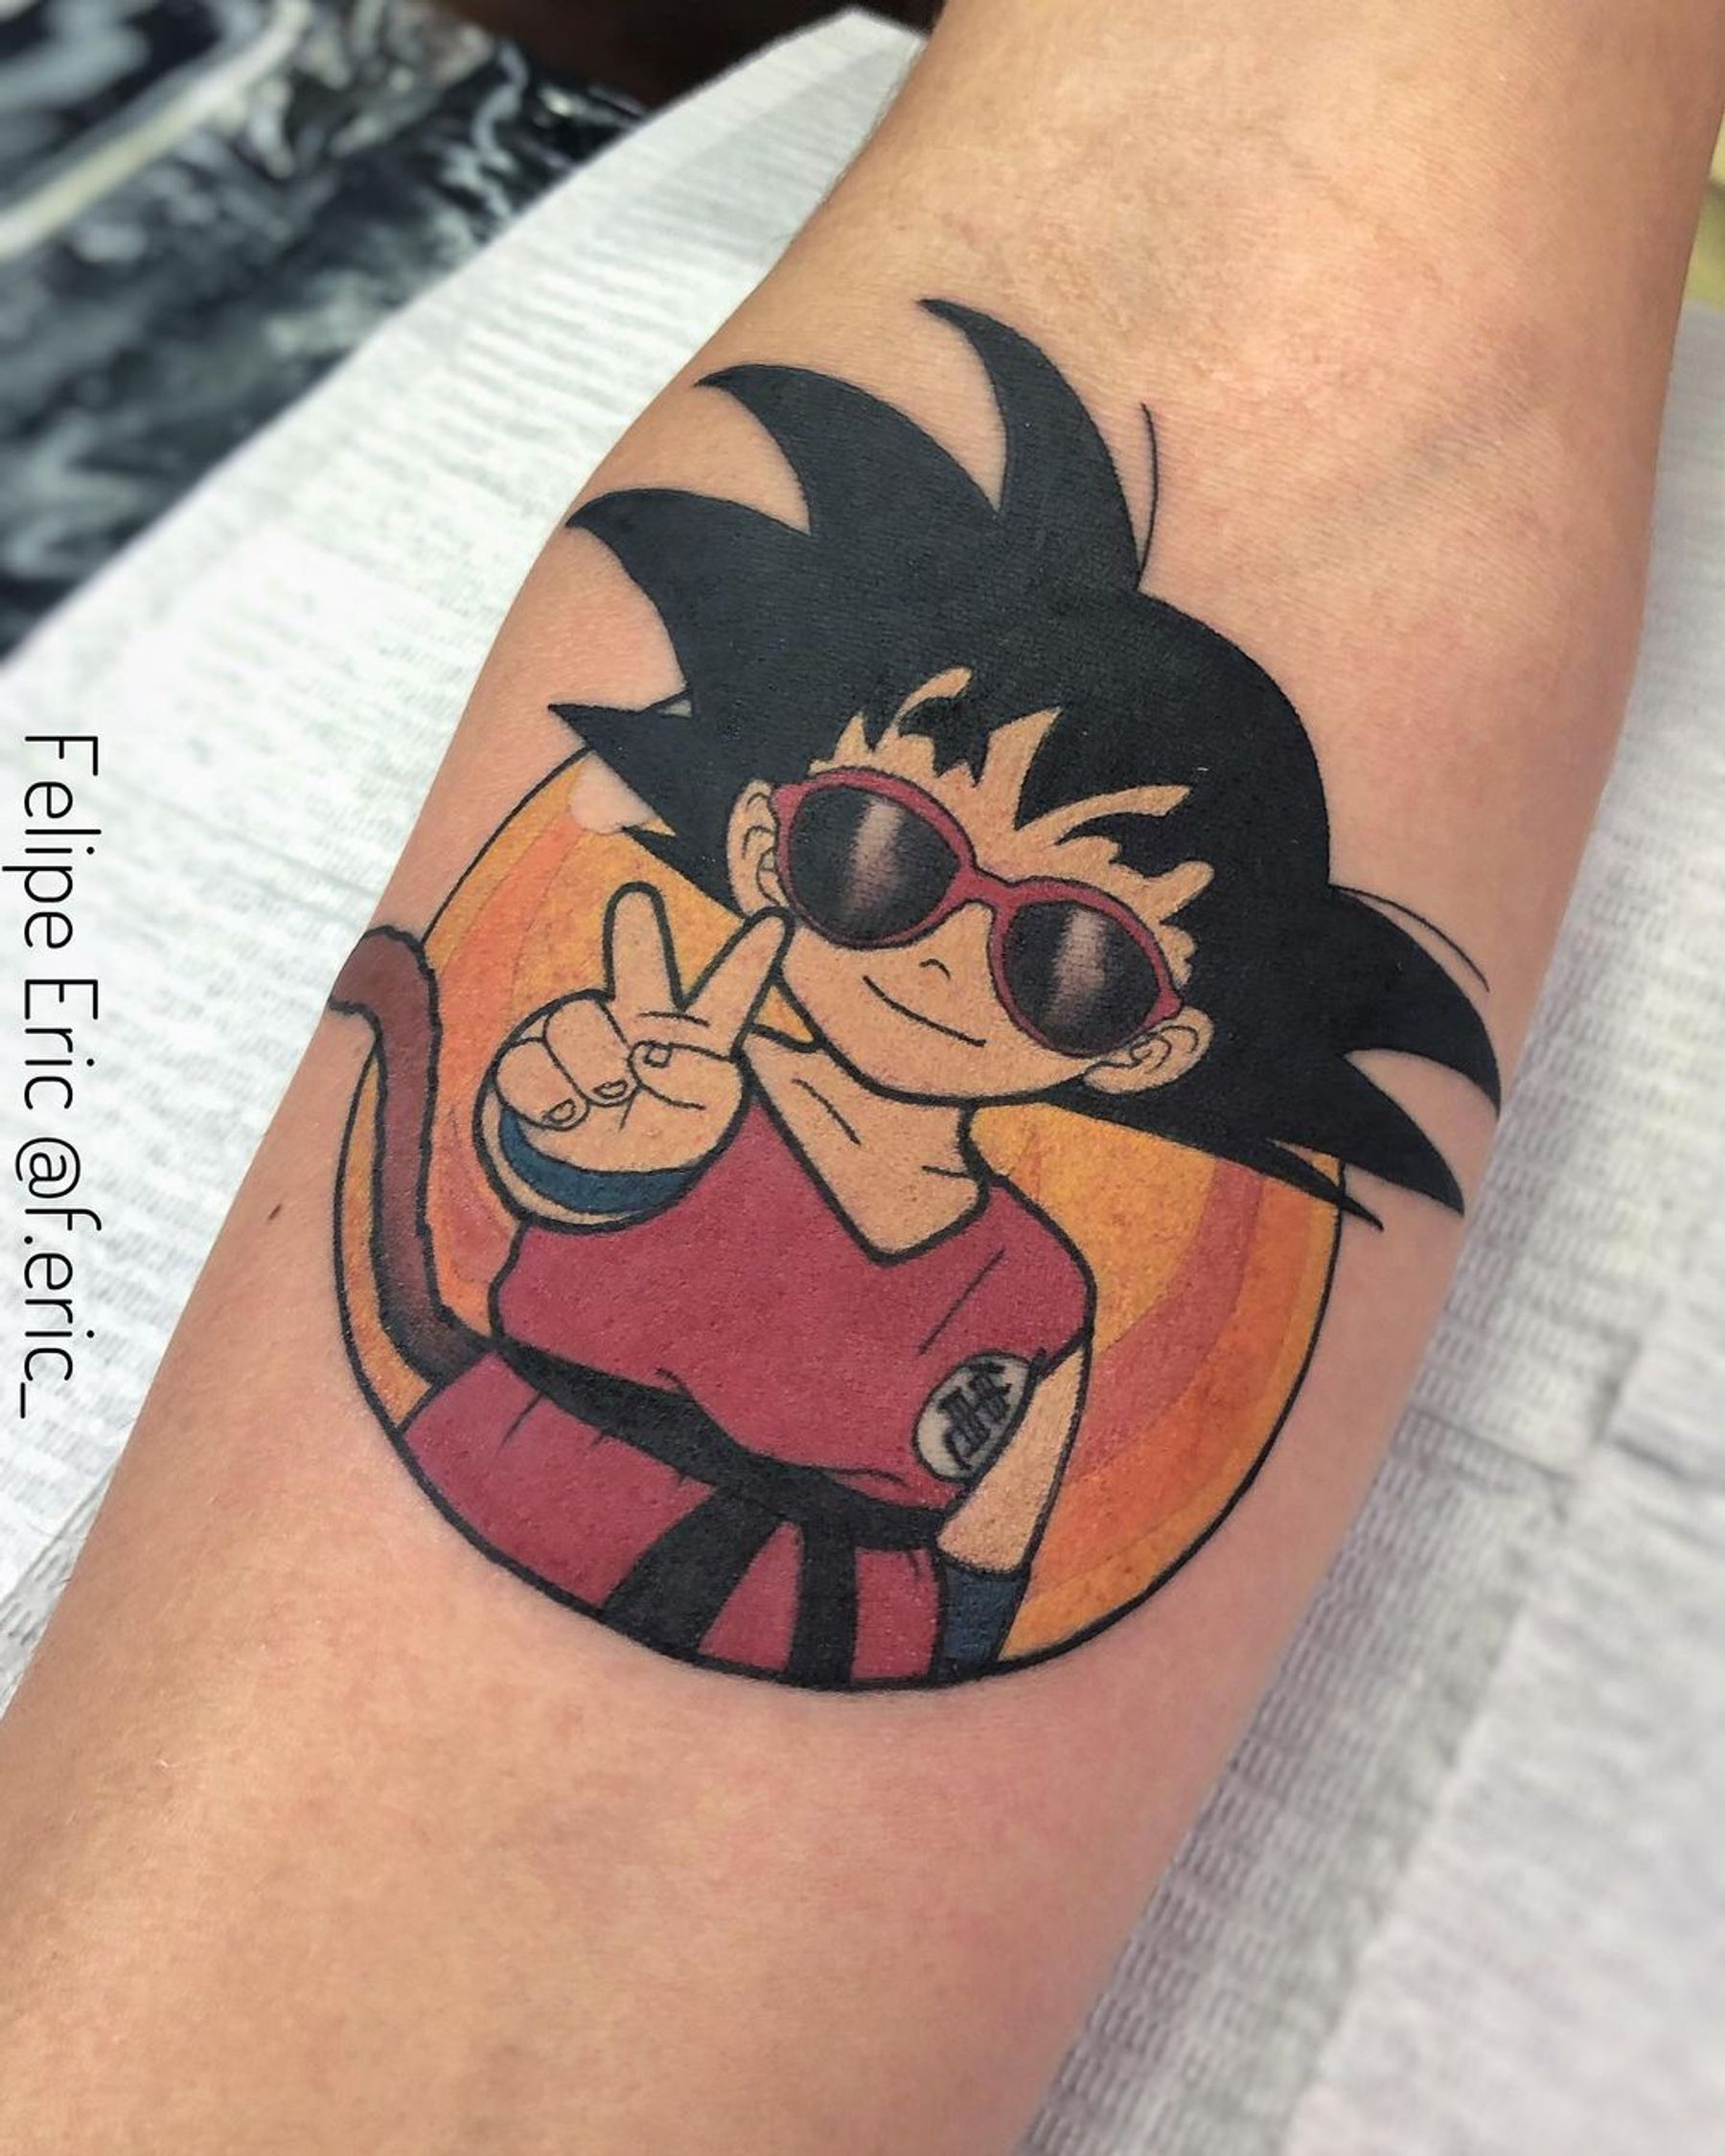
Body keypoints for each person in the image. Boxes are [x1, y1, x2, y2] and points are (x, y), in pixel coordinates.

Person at [1, 3, 1720, 2148]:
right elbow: (1253, 210)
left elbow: (996, 1540)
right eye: (883, 859)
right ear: (767, 841)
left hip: (830, 1616)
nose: (929, 953)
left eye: (1062, 958)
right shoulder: (660, 1083)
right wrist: (590, 1150)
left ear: (1154, 1038)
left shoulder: (1041, 1287)